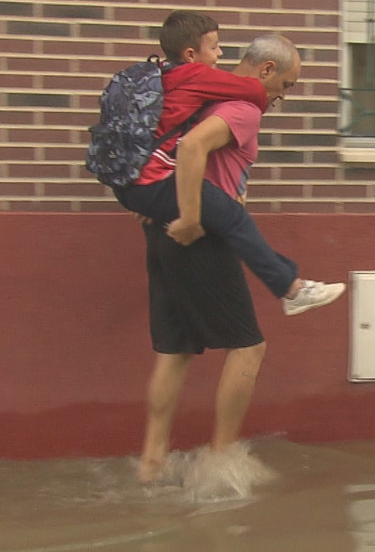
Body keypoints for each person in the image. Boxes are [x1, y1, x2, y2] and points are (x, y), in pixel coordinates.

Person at [135, 34, 323, 488]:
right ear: (266, 70)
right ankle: (221, 462)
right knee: (248, 347)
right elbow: (193, 147)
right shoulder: (242, 108)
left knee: (175, 350)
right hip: (199, 235)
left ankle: (151, 463)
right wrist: (193, 218)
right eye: (286, 85)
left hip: (159, 228)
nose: (282, 97)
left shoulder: (198, 97)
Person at [114, 10, 342, 315]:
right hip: (182, 214)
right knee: (235, 220)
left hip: (142, 190)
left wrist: (149, 196)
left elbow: (169, 137)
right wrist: (189, 219)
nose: (220, 54)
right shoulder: (201, 81)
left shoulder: (165, 79)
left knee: (175, 335)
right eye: (286, 85)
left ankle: (292, 287)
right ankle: (292, 289)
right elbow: (197, 139)